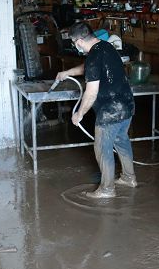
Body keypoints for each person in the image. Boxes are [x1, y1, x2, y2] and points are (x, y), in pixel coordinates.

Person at [55, 22, 136, 199]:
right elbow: (87, 68)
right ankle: (129, 178)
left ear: (78, 42)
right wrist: (67, 72)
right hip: (127, 105)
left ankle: (107, 189)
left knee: (102, 147)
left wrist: (79, 114)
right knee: (121, 140)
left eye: (74, 43)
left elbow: (91, 93)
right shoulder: (107, 46)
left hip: (111, 110)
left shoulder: (93, 56)